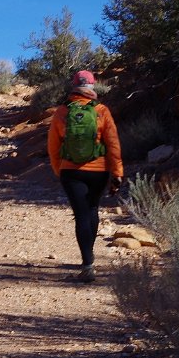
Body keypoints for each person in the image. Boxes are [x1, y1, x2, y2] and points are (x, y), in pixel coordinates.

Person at [47, 70, 123, 282]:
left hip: (71, 171)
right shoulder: (101, 111)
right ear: (92, 86)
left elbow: (53, 146)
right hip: (99, 170)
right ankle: (89, 257)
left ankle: (87, 264)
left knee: (81, 214)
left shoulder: (62, 112)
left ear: (74, 86)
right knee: (92, 209)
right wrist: (117, 172)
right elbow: (113, 145)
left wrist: (59, 169)